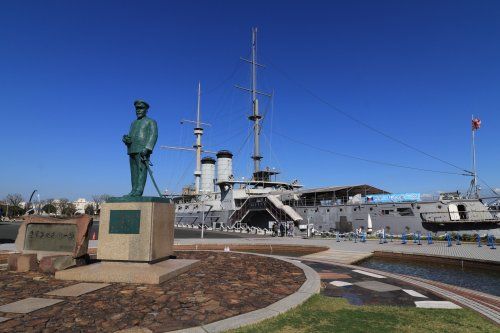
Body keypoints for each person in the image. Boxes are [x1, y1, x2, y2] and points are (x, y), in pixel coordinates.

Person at [122, 100, 158, 197]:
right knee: (133, 172)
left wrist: (147, 148)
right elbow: (131, 136)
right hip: (132, 149)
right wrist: (127, 140)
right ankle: (133, 190)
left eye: (141, 108)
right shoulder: (133, 123)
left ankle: (139, 190)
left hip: (142, 150)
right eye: (137, 109)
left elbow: (153, 135)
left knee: (141, 170)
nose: (138, 110)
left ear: (146, 110)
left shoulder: (151, 122)